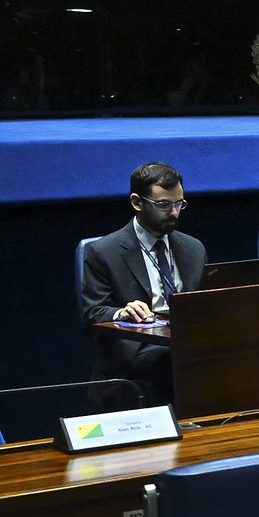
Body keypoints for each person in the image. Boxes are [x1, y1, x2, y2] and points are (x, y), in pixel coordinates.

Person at [79, 162, 207, 405]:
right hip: (139, 345)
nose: (174, 213)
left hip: (185, 337)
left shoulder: (193, 248)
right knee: (177, 358)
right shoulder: (104, 252)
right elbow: (93, 313)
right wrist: (122, 312)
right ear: (137, 202)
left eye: (179, 204)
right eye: (163, 205)